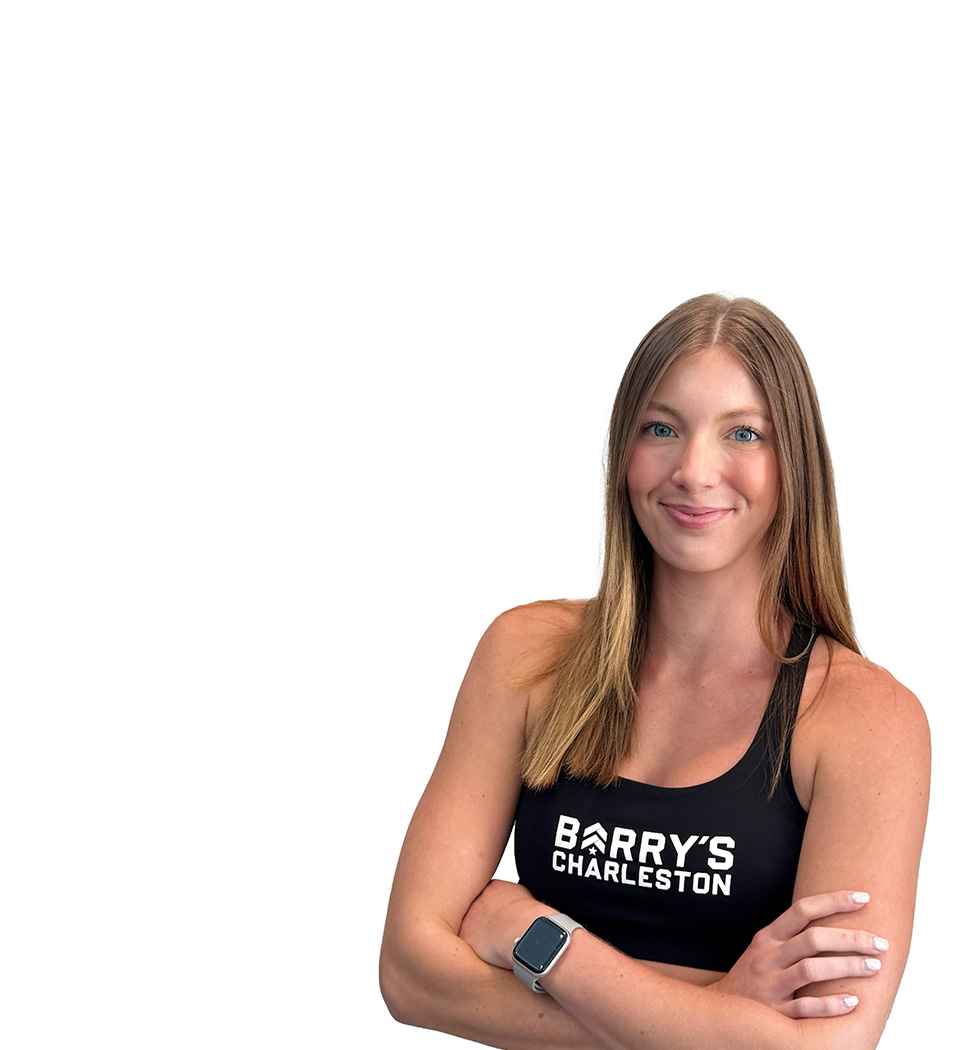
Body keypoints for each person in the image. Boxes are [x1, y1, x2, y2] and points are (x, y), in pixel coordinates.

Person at [379, 294, 929, 1050]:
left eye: (743, 433)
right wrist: (717, 1010)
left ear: (794, 466)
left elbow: (822, 1046)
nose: (695, 471)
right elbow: (409, 974)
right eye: (661, 428)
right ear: (623, 453)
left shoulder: (865, 719)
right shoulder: (527, 656)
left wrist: (542, 940)